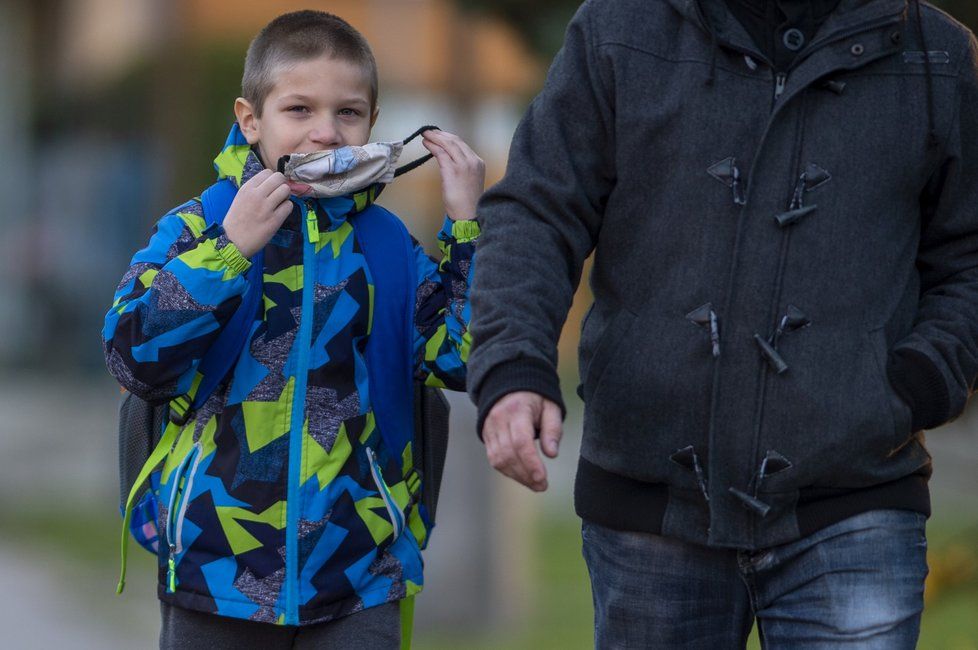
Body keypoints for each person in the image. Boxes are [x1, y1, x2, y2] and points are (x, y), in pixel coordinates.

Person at [468, 0, 978, 647]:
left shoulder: (937, 54)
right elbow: (537, 211)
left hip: (857, 494)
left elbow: (968, 255)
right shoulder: (617, 27)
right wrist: (513, 364)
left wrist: (917, 382)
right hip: (647, 497)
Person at [103, 10, 484, 648]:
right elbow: (132, 358)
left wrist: (468, 229)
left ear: (372, 123)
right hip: (214, 564)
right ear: (251, 120)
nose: (325, 134)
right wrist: (228, 252)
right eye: (300, 110)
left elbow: (465, 360)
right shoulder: (198, 226)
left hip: (359, 570)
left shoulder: (385, 246)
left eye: (349, 113)